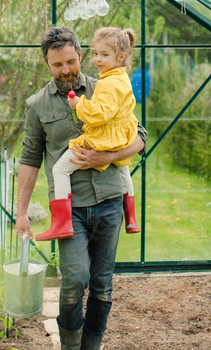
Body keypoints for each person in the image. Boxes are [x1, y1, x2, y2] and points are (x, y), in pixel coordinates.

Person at [15, 25, 147, 350]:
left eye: (71, 62)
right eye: (57, 65)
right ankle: (70, 347)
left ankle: (92, 346)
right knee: (75, 282)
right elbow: (30, 160)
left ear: (80, 55)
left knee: (102, 286)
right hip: (70, 210)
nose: (66, 70)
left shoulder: (106, 86)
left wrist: (110, 154)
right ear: (46, 64)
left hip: (110, 201)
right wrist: (21, 213)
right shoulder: (38, 106)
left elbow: (139, 135)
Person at [36, 26, 141, 240]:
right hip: (121, 135)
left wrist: (79, 105)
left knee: (60, 170)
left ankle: (62, 222)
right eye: (96, 53)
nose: (98, 59)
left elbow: (101, 114)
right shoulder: (120, 78)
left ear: (121, 56)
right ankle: (131, 216)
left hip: (103, 138)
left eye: (104, 54)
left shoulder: (108, 83)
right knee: (124, 168)